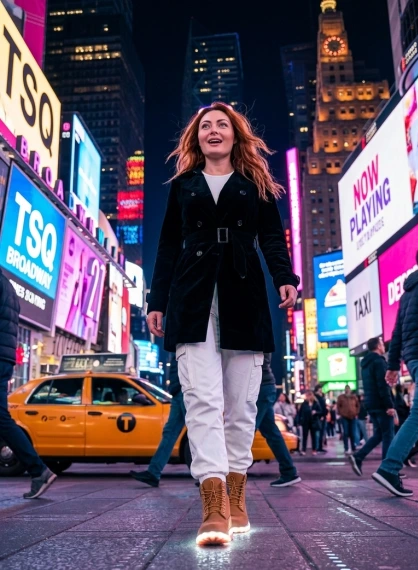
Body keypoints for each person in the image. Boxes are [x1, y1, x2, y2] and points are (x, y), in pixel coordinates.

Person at [146, 102, 298, 545]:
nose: (213, 131)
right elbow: (167, 247)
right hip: (191, 299)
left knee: (241, 405)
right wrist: (157, 301)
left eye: (222, 125)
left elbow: (271, 236)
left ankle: (236, 496)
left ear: (236, 135)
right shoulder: (183, 186)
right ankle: (212, 506)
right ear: (197, 138)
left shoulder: (255, 184)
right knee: (202, 400)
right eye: (205, 126)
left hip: (245, 294)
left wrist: (284, 277)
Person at [0, 269, 56, 499]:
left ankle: (38, 469)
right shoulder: (9, 285)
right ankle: (38, 470)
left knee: (1, 418)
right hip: (5, 356)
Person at [372, 250, 418, 497]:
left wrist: (392, 366)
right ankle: (389, 467)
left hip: (412, 357)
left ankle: (390, 467)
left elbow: (397, 332)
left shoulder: (408, 291)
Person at [130, 355, 186, 487]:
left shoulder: (181, 339)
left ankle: (210, 476)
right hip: (178, 393)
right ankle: (153, 473)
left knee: (197, 433)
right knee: (170, 433)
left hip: (184, 391)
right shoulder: (174, 340)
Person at [348, 337, 395, 476]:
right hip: (381, 405)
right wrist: (389, 405)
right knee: (388, 435)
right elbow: (383, 385)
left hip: (371, 404)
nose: (384, 346)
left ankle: (358, 457)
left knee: (379, 435)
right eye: (382, 343)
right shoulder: (379, 362)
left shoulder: (366, 364)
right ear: (378, 346)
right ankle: (386, 470)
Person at [255, 354, 301, 487]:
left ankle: (223, 477)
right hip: (264, 385)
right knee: (271, 433)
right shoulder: (264, 334)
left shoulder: (259, 333)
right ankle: (289, 472)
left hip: (260, 387)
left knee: (246, 430)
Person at [337, 385, 359, 455]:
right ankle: (346, 448)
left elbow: (358, 405)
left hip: (353, 416)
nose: (347, 390)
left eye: (348, 389)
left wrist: (356, 413)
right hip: (344, 417)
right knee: (346, 433)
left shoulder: (354, 397)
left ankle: (353, 447)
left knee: (353, 433)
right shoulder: (341, 397)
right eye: (346, 389)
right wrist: (341, 413)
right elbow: (338, 406)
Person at [298, 391, 322, 455]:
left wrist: (315, 412)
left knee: (313, 436)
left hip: (313, 421)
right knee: (304, 436)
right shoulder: (304, 404)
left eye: (309, 395)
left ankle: (314, 449)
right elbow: (300, 413)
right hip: (305, 421)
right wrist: (299, 421)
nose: (308, 397)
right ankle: (303, 450)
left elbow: (320, 411)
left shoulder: (316, 403)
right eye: (307, 395)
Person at [314, 384, 327, 452]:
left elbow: (324, 408)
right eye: (319, 390)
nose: (320, 391)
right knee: (318, 433)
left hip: (323, 416)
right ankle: (317, 447)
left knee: (322, 433)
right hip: (319, 417)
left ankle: (320, 447)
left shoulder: (322, 397)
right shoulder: (316, 398)